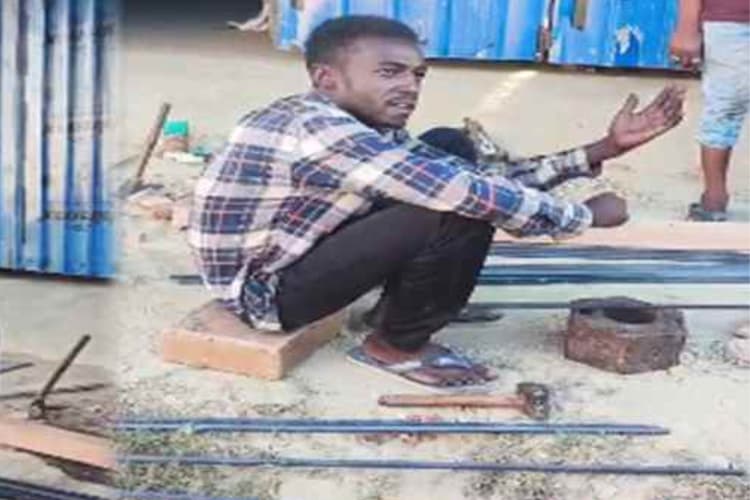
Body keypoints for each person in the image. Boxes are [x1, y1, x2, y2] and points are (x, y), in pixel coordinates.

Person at [189, 16, 685, 388]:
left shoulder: (366, 127)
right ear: (326, 79)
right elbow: (462, 192)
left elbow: (475, 176)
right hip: (267, 296)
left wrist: (602, 150)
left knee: (450, 146)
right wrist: (581, 218)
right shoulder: (316, 128)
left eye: (418, 74)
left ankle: (390, 311)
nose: (409, 86)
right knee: (454, 205)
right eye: (389, 72)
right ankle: (395, 345)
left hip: (299, 256)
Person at [670, 0, 749, 221]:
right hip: (729, 21)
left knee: (725, 106)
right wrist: (687, 27)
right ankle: (715, 197)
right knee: (726, 104)